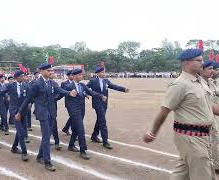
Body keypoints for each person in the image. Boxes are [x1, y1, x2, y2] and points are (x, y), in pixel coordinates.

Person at [143, 49, 219, 180]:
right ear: (187, 63)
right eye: (199, 60)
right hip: (190, 137)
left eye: (202, 60)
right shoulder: (180, 84)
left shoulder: (200, 81)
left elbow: (207, 106)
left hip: (204, 136)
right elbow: (164, 111)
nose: (202, 63)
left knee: (184, 172)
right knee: (203, 174)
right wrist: (152, 132)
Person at [15, 63, 77, 171]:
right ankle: (47, 161)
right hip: (42, 113)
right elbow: (28, 99)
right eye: (49, 71)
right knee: (46, 137)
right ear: (41, 71)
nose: (51, 72)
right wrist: (19, 112)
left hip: (51, 112)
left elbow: (59, 91)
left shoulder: (52, 83)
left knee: (47, 136)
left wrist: (68, 93)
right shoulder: (36, 84)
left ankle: (40, 156)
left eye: (52, 71)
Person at [64, 69, 105, 159]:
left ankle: (71, 145)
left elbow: (91, 92)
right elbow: (60, 95)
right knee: (81, 129)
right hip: (74, 111)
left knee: (75, 128)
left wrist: (100, 96)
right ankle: (83, 150)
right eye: (79, 75)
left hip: (81, 110)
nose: (81, 76)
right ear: (74, 76)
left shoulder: (82, 85)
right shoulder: (68, 86)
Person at [87, 66, 129, 149]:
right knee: (103, 121)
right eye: (102, 72)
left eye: (104, 72)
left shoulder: (106, 81)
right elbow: (86, 88)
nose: (104, 73)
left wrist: (123, 89)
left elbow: (113, 86)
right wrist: (86, 94)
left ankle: (94, 136)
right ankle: (105, 141)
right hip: (97, 103)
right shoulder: (93, 81)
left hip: (104, 104)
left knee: (100, 119)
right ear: (98, 73)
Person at [8, 70, 29, 161]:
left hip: (23, 111)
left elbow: (29, 96)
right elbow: (1, 91)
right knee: (21, 132)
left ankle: (14, 147)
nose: (23, 77)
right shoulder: (10, 86)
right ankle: (24, 152)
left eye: (23, 76)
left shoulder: (26, 86)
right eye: (21, 76)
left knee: (23, 130)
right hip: (14, 112)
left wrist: (30, 103)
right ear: (16, 78)